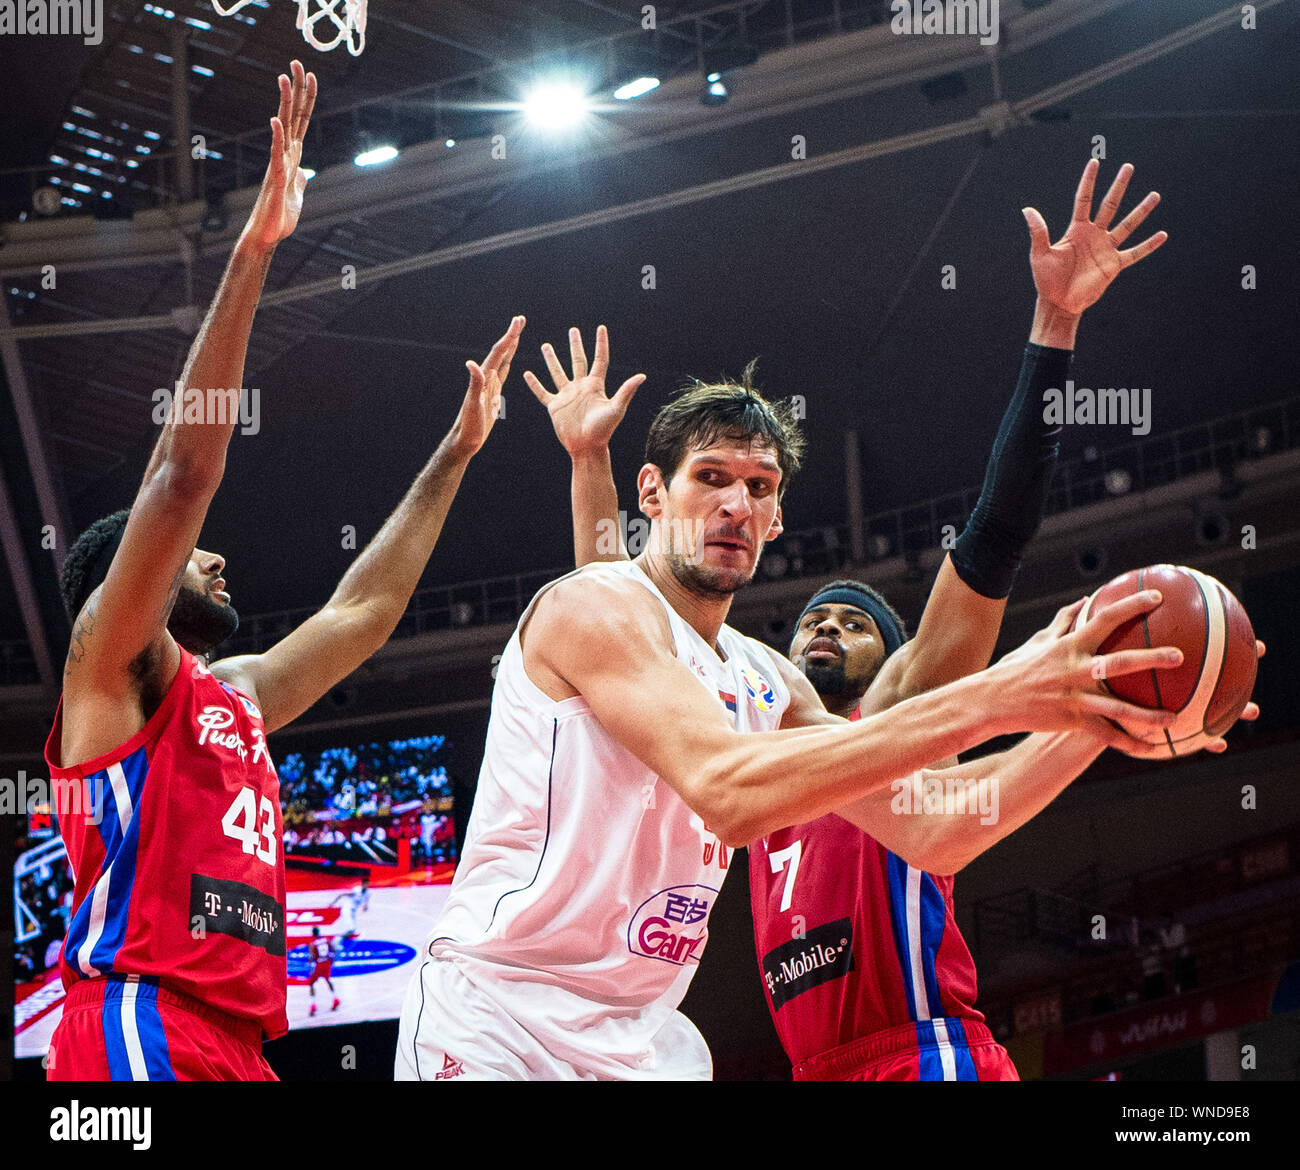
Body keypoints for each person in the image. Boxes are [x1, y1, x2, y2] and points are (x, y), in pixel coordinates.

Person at [545, 161, 1262, 1080]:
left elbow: (997, 532)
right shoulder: (747, 725)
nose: (825, 631)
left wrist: (1056, 325)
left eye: (854, 622)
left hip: (921, 1056)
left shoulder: (894, 713)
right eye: (815, 620)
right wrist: (588, 461)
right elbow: (617, 633)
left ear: (903, 656)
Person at [394, 300, 1190, 1082]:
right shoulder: (588, 608)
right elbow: (725, 793)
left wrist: (1093, 716)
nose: (737, 505)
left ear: (777, 519)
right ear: (653, 495)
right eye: (711, 478)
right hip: (499, 1018)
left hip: (636, 1044)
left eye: (760, 486)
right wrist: (1004, 694)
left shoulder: (766, 682)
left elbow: (936, 826)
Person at [44, 62, 524, 1081]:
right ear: (124, 581)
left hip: (241, 1043)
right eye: (188, 558)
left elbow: (367, 608)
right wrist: (258, 247)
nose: (216, 558)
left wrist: (454, 454)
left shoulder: (234, 697)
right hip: (140, 1023)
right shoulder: (109, 665)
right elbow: (181, 478)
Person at [306, 927, 339, 1016]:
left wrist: (309, 964)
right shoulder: (326, 940)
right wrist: (331, 962)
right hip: (327, 963)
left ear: (313, 934)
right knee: (328, 980)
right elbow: (335, 952)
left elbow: (312, 956)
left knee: (311, 983)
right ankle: (335, 998)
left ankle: (313, 1004)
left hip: (319, 964)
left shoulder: (313, 944)